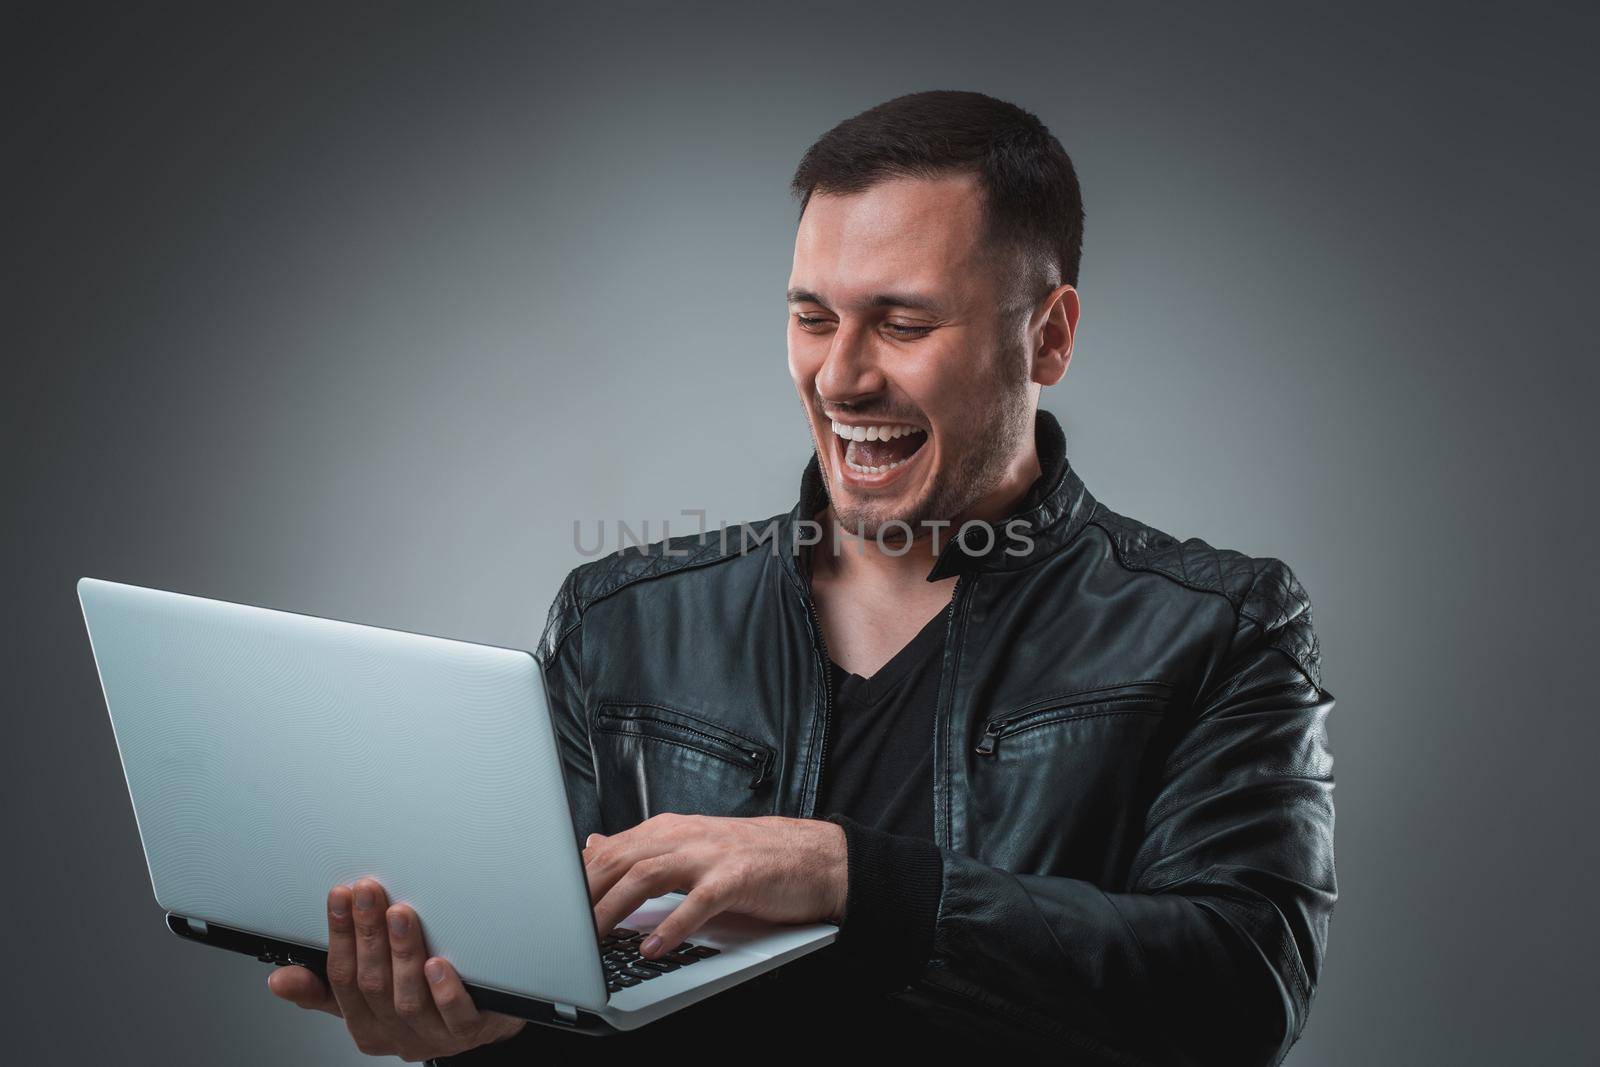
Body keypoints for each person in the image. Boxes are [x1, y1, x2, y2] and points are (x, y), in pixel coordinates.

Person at [266, 90, 1336, 1064]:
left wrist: (853, 879)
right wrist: (471, 1028)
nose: (840, 375)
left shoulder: (1219, 625)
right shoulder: (621, 621)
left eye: (903, 323)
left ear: (1046, 337)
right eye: (813, 317)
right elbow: (570, 995)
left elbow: (1240, 988)